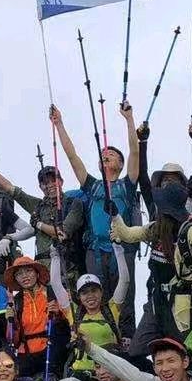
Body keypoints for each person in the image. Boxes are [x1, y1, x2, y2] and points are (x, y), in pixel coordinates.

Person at [51, 102, 141, 334]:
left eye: (111, 155)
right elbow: (72, 157)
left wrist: (129, 120)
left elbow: (135, 151)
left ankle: (127, 343)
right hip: (94, 251)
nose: (106, 156)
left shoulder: (127, 185)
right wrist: (59, 124)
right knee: (95, 299)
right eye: (103, 155)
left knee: (125, 297)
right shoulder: (92, 186)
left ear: (120, 165)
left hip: (122, 248)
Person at [114, 181, 192, 355]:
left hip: (182, 303)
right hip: (156, 301)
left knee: (183, 353)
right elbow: (127, 234)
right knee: (136, 351)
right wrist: (115, 215)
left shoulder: (191, 233)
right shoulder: (155, 229)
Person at [0, 155, 86, 285]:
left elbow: (60, 233)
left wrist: (38, 224)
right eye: (45, 183)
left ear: (61, 182)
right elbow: (10, 188)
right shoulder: (37, 206)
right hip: (43, 273)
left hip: (69, 269)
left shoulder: (74, 203)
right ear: (40, 186)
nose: (50, 185)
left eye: (54, 180)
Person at [4, 255, 69, 381]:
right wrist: (10, 321)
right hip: (27, 352)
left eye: (28, 271)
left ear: (37, 273)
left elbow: (70, 323)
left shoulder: (53, 293)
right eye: (19, 274)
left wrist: (58, 314)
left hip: (51, 347)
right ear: (16, 279)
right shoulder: (16, 302)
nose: (24, 276)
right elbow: (13, 339)